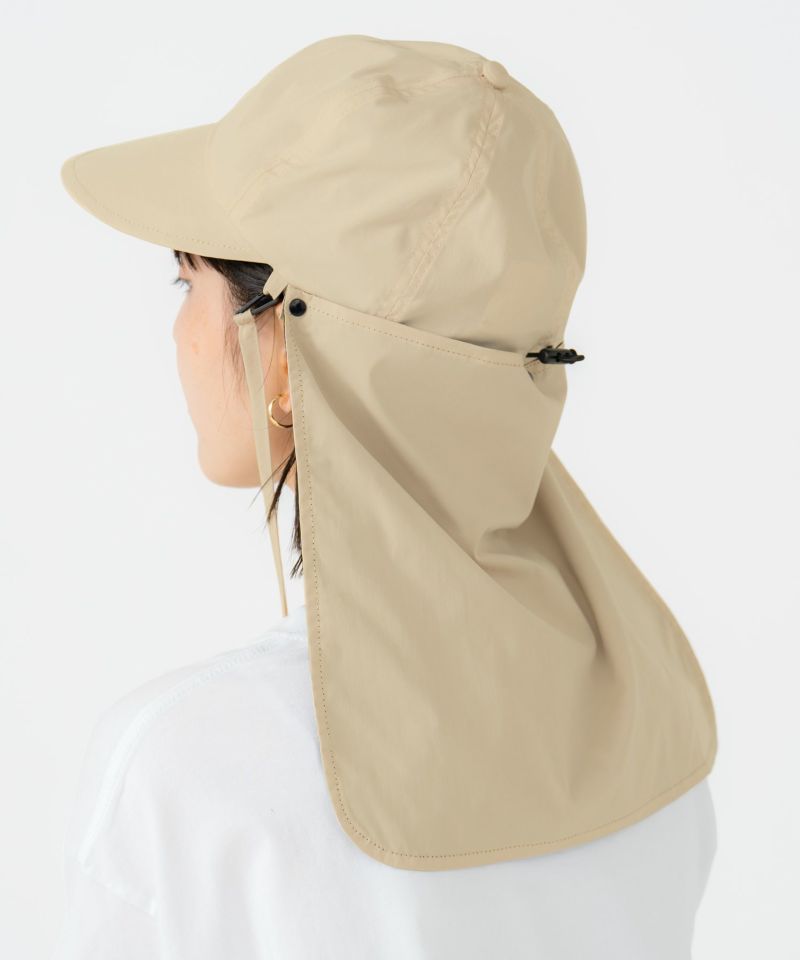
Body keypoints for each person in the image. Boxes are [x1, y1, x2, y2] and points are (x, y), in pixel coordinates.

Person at [54, 34, 718, 958]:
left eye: (185, 280)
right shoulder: (654, 732)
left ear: (282, 347)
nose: (176, 334)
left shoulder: (189, 767)